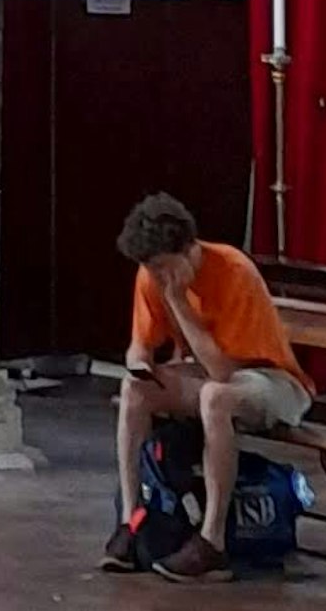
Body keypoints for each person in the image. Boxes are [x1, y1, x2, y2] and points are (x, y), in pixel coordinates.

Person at [106, 190, 313, 578]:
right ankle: (130, 522)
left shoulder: (233, 271)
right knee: (134, 390)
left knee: (216, 397)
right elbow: (140, 345)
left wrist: (180, 302)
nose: (157, 277)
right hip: (208, 376)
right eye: (152, 270)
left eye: (165, 268)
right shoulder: (151, 275)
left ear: (187, 250)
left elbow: (221, 370)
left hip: (272, 381)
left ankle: (212, 541)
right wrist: (140, 366)